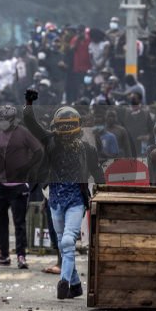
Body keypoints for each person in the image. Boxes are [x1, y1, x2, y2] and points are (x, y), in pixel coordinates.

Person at [22, 89, 103, 299]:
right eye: (62, 128)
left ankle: (64, 281)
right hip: (55, 198)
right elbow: (31, 123)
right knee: (61, 241)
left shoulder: (88, 150)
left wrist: (103, 197)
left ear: (77, 129)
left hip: (76, 198)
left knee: (68, 241)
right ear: (56, 129)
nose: (65, 133)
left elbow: (99, 175)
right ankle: (76, 285)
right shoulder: (50, 141)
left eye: (69, 128)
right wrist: (29, 103)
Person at [0, 104, 43, 269]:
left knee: (19, 222)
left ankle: (21, 256)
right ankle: (3, 254)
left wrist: (27, 167)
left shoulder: (23, 133)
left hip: (18, 185)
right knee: (0, 221)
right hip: (0, 184)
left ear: (12, 119)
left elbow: (38, 151)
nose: (2, 122)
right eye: (0, 120)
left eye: (4, 120)